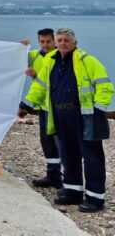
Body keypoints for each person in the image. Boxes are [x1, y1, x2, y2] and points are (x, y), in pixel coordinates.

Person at [19, 27, 113, 213]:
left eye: (66, 40)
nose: (62, 43)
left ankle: (95, 198)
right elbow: (40, 87)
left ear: (74, 43)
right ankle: (72, 191)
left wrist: (97, 110)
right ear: (56, 42)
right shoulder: (49, 63)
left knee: (92, 158)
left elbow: (105, 86)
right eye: (60, 40)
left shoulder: (88, 61)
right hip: (60, 116)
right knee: (68, 155)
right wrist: (25, 106)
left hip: (85, 117)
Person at [24, 28, 61, 188]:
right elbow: (14, 61)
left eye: (48, 41)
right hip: (43, 108)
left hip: (59, 108)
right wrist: (21, 48)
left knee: (61, 143)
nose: (45, 45)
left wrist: (36, 76)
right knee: (47, 143)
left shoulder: (62, 57)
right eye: (42, 41)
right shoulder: (34, 56)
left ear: (54, 41)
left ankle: (69, 180)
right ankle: (53, 176)